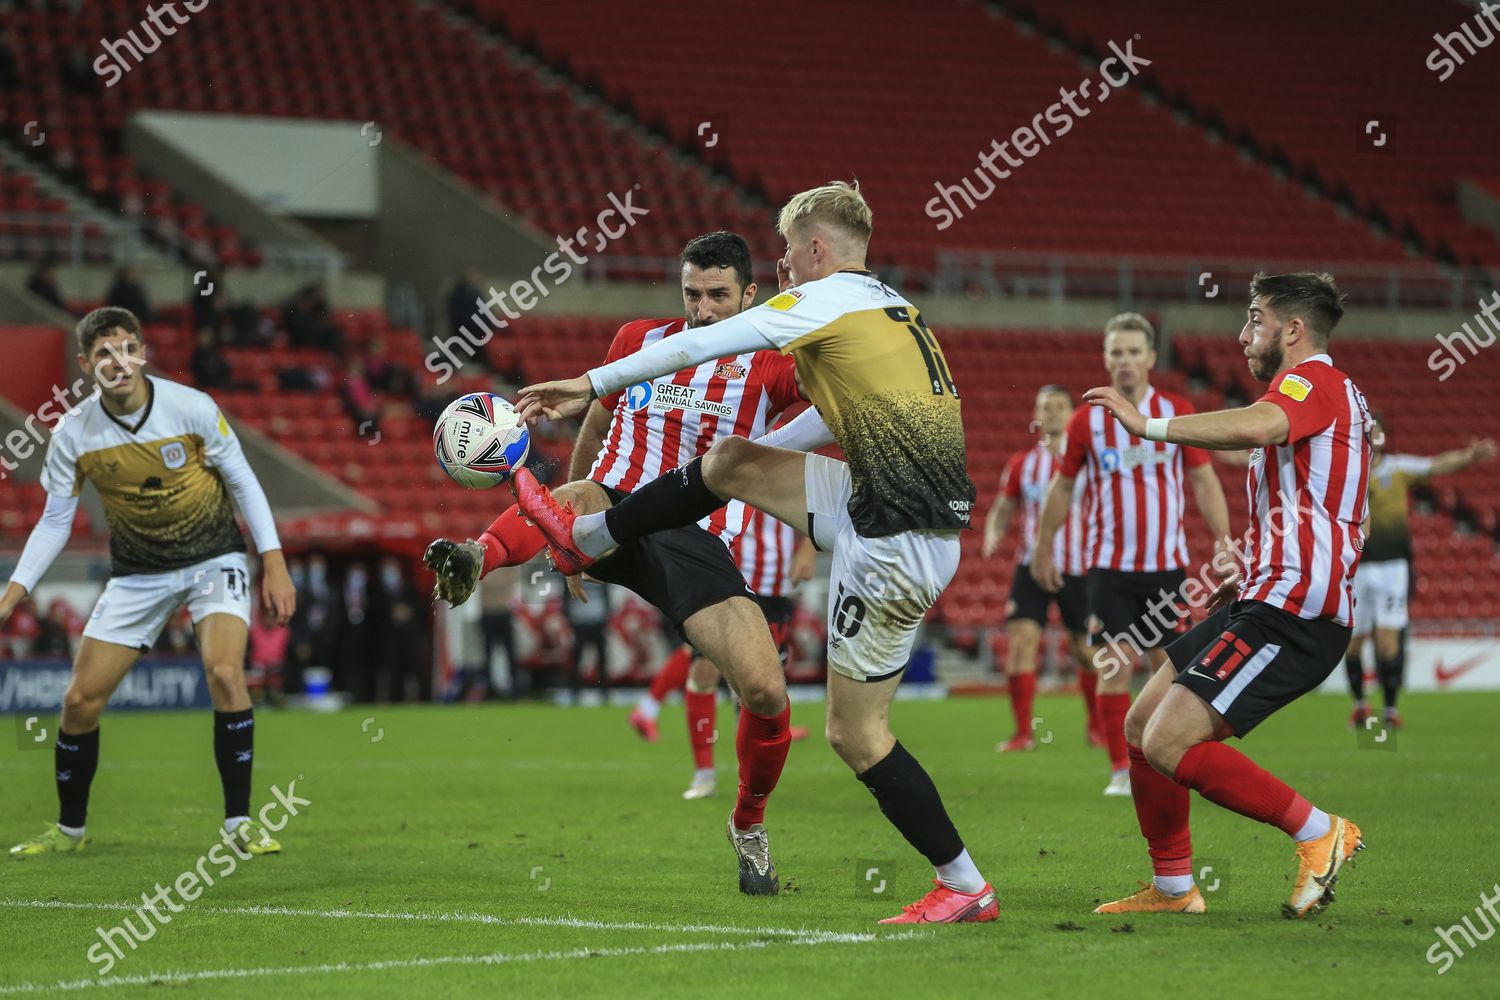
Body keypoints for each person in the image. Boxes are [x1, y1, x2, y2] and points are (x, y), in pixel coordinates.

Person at [512, 182, 997, 925]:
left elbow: (710, 340)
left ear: (815, 250)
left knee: (853, 732)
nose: (782, 270)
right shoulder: (886, 306)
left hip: (897, 538)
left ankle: (965, 885)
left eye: (786, 256)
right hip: (886, 501)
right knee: (732, 458)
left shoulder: (826, 300)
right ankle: (594, 537)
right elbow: (797, 433)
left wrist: (590, 384)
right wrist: (722, 473)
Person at [425, 231, 803, 896]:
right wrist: (571, 541)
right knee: (578, 496)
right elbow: (596, 427)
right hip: (613, 509)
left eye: (719, 296)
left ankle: (747, 822)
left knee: (767, 694)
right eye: (693, 294)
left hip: (695, 538)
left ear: (750, 294)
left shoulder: (770, 363)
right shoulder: (637, 341)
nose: (705, 310)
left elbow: (833, 404)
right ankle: (475, 555)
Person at [1085, 273, 1371, 919]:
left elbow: (1263, 425)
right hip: (1269, 596)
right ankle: (1174, 889)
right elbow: (1341, 512)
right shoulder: (1339, 397)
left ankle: (1320, 832)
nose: (1243, 336)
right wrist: (1268, 564)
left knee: (1167, 742)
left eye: (1255, 320)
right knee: (1139, 728)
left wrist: (1149, 425)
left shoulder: (1309, 382)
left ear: (1292, 331)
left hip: (1293, 614)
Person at [3, 306, 297, 858]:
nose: (118, 362)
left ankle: (239, 826)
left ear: (141, 350)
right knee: (79, 702)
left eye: (126, 348)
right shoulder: (75, 432)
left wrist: (273, 561)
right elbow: (55, 521)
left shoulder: (191, 408)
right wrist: (11, 593)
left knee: (225, 672)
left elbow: (243, 481)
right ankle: (69, 831)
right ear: (86, 365)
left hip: (214, 558)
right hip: (138, 573)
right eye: (103, 354)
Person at [1031, 313, 1232, 796]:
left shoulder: (1175, 410)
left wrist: (1223, 538)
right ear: (1105, 358)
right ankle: (1122, 769)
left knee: (1174, 669)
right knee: (1115, 662)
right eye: (1116, 352)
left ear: (1151, 358)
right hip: (1110, 569)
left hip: (1165, 567)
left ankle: (1168, 753)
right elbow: (1062, 487)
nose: (1124, 360)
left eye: (1133, 351)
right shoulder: (1086, 422)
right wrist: (1043, 547)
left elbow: (1203, 478)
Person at [629, 507, 817, 799]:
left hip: (775, 584)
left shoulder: (788, 462)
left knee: (758, 684)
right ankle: (704, 774)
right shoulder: (725, 461)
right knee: (703, 672)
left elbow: (811, 499)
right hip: (727, 580)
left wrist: (808, 546)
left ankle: (752, 780)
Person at [1344, 414, 1495, 729]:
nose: (1374, 439)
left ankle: (1389, 711)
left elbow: (1437, 465)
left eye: (1378, 433)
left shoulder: (1399, 469)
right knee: (1353, 643)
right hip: (1355, 569)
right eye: (1368, 434)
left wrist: (1470, 456)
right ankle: (1360, 706)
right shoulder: (1347, 473)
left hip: (1391, 568)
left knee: (1387, 642)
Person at [982, 386, 1102, 752]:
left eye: (1059, 406)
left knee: (1085, 651)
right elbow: (1003, 507)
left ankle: (1097, 727)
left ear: (1071, 413)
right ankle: (1023, 733)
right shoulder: (1022, 463)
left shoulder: (1089, 461)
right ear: (1036, 413)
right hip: (1031, 566)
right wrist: (993, 532)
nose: (1052, 413)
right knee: (1020, 645)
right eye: (1045, 407)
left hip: (1079, 567)